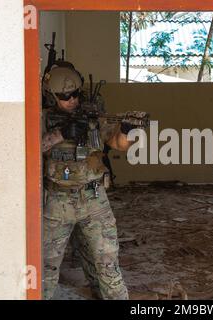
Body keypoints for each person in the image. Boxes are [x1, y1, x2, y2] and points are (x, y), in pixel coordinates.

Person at [41, 65, 141, 300]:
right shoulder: (43, 118)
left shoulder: (93, 116)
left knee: (108, 263)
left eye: (75, 93)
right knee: (46, 267)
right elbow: (30, 150)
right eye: (65, 96)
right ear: (53, 96)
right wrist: (61, 134)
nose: (72, 99)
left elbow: (118, 144)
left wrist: (126, 130)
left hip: (94, 199)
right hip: (57, 202)